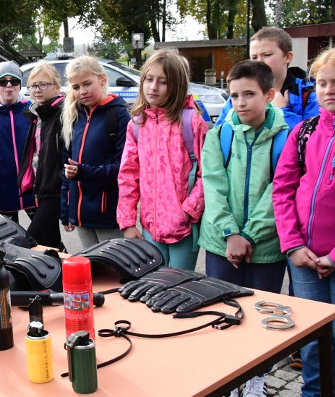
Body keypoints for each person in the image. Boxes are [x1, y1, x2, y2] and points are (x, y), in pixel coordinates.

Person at [200, 60, 289, 397]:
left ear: (269, 95)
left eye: (249, 94)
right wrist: (230, 234)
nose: (240, 102)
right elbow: (214, 186)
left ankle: (257, 376)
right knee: (223, 310)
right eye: (234, 95)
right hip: (221, 244)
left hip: (266, 245)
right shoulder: (218, 135)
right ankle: (228, 375)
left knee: (263, 312)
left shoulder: (286, 137)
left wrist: (249, 235)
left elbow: (278, 191)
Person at [273, 44, 335, 397]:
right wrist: (293, 244)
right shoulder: (304, 131)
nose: (328, 90)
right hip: (304, 257)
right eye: (322, 83)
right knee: (309, 334)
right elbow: (283, 189)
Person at [117, 49, 208, 270]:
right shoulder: (137, 124)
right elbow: (128, 175)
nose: (153, 87)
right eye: (149, 79)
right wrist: (128, 221)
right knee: (153, 288)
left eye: (163, 82)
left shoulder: (191, 122)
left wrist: (187, 211)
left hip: (183, 228)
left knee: (178, 288)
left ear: (176, 85)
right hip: (150, 227)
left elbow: (207, 174)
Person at [60, 55, 129, 249]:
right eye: (75, 87)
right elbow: (67, 167)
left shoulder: (118, 114)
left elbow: (123, 169)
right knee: (92, 272)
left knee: (114, 272)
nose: (82, 91)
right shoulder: (74, 116)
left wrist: (84, 172)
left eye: (87, 84)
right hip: (81, 216)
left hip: (108, 214)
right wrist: (67, 211)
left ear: (103, 79)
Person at [215, 27, 319, 130]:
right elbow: (218, 137)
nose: (259, 62)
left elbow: (310, 140)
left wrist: (283, 112)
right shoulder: (238, 94)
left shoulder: (308, 97)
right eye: (254, 57)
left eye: (267, 55)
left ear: (287, 57)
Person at [0, 61, 36, 222]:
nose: (9, 86)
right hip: (4, 190)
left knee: (46, 238)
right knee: (12, 240)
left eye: (14, 81)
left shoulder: (32, 113)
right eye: (3, 81)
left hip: (32, 188)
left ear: (20, 85)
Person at [18, 61, 65, 250]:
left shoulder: (62, 113)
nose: (37, 89)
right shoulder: (38, 114)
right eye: (32, 85)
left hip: (55, 189)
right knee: (50, 243)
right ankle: (62, 276)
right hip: (41, 187)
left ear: (56, 86)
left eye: (43, 84)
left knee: (29, 240)